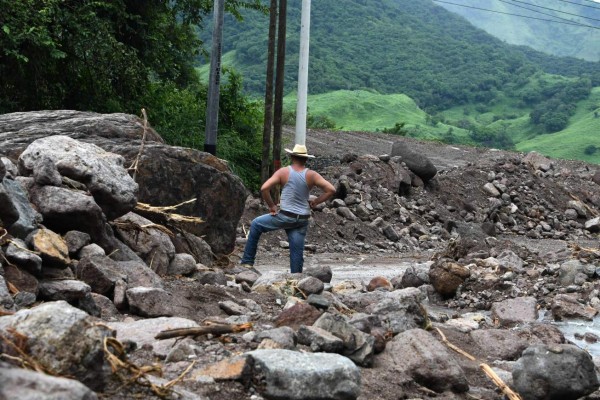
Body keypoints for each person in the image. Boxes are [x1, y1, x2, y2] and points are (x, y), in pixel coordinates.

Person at [240, 144, 335, 273]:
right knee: (296, 251)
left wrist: (272, 206)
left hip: (285, 216)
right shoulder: (312, 175)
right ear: (306, 160)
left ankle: (247, 263)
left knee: (256, 224)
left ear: (291, 157)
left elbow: (264, 188)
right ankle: (296, 280)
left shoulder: (284, 172)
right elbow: (331, 190)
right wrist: (316, 202)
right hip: (302, 219)